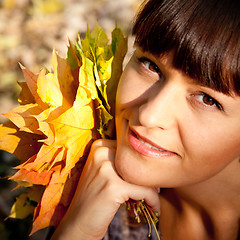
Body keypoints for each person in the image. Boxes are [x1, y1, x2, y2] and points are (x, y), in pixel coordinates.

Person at [51, 0, 240, 239]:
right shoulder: (77, 182)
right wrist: (76, 231)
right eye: (151, 66)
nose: (150, 115)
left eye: (207, 100)